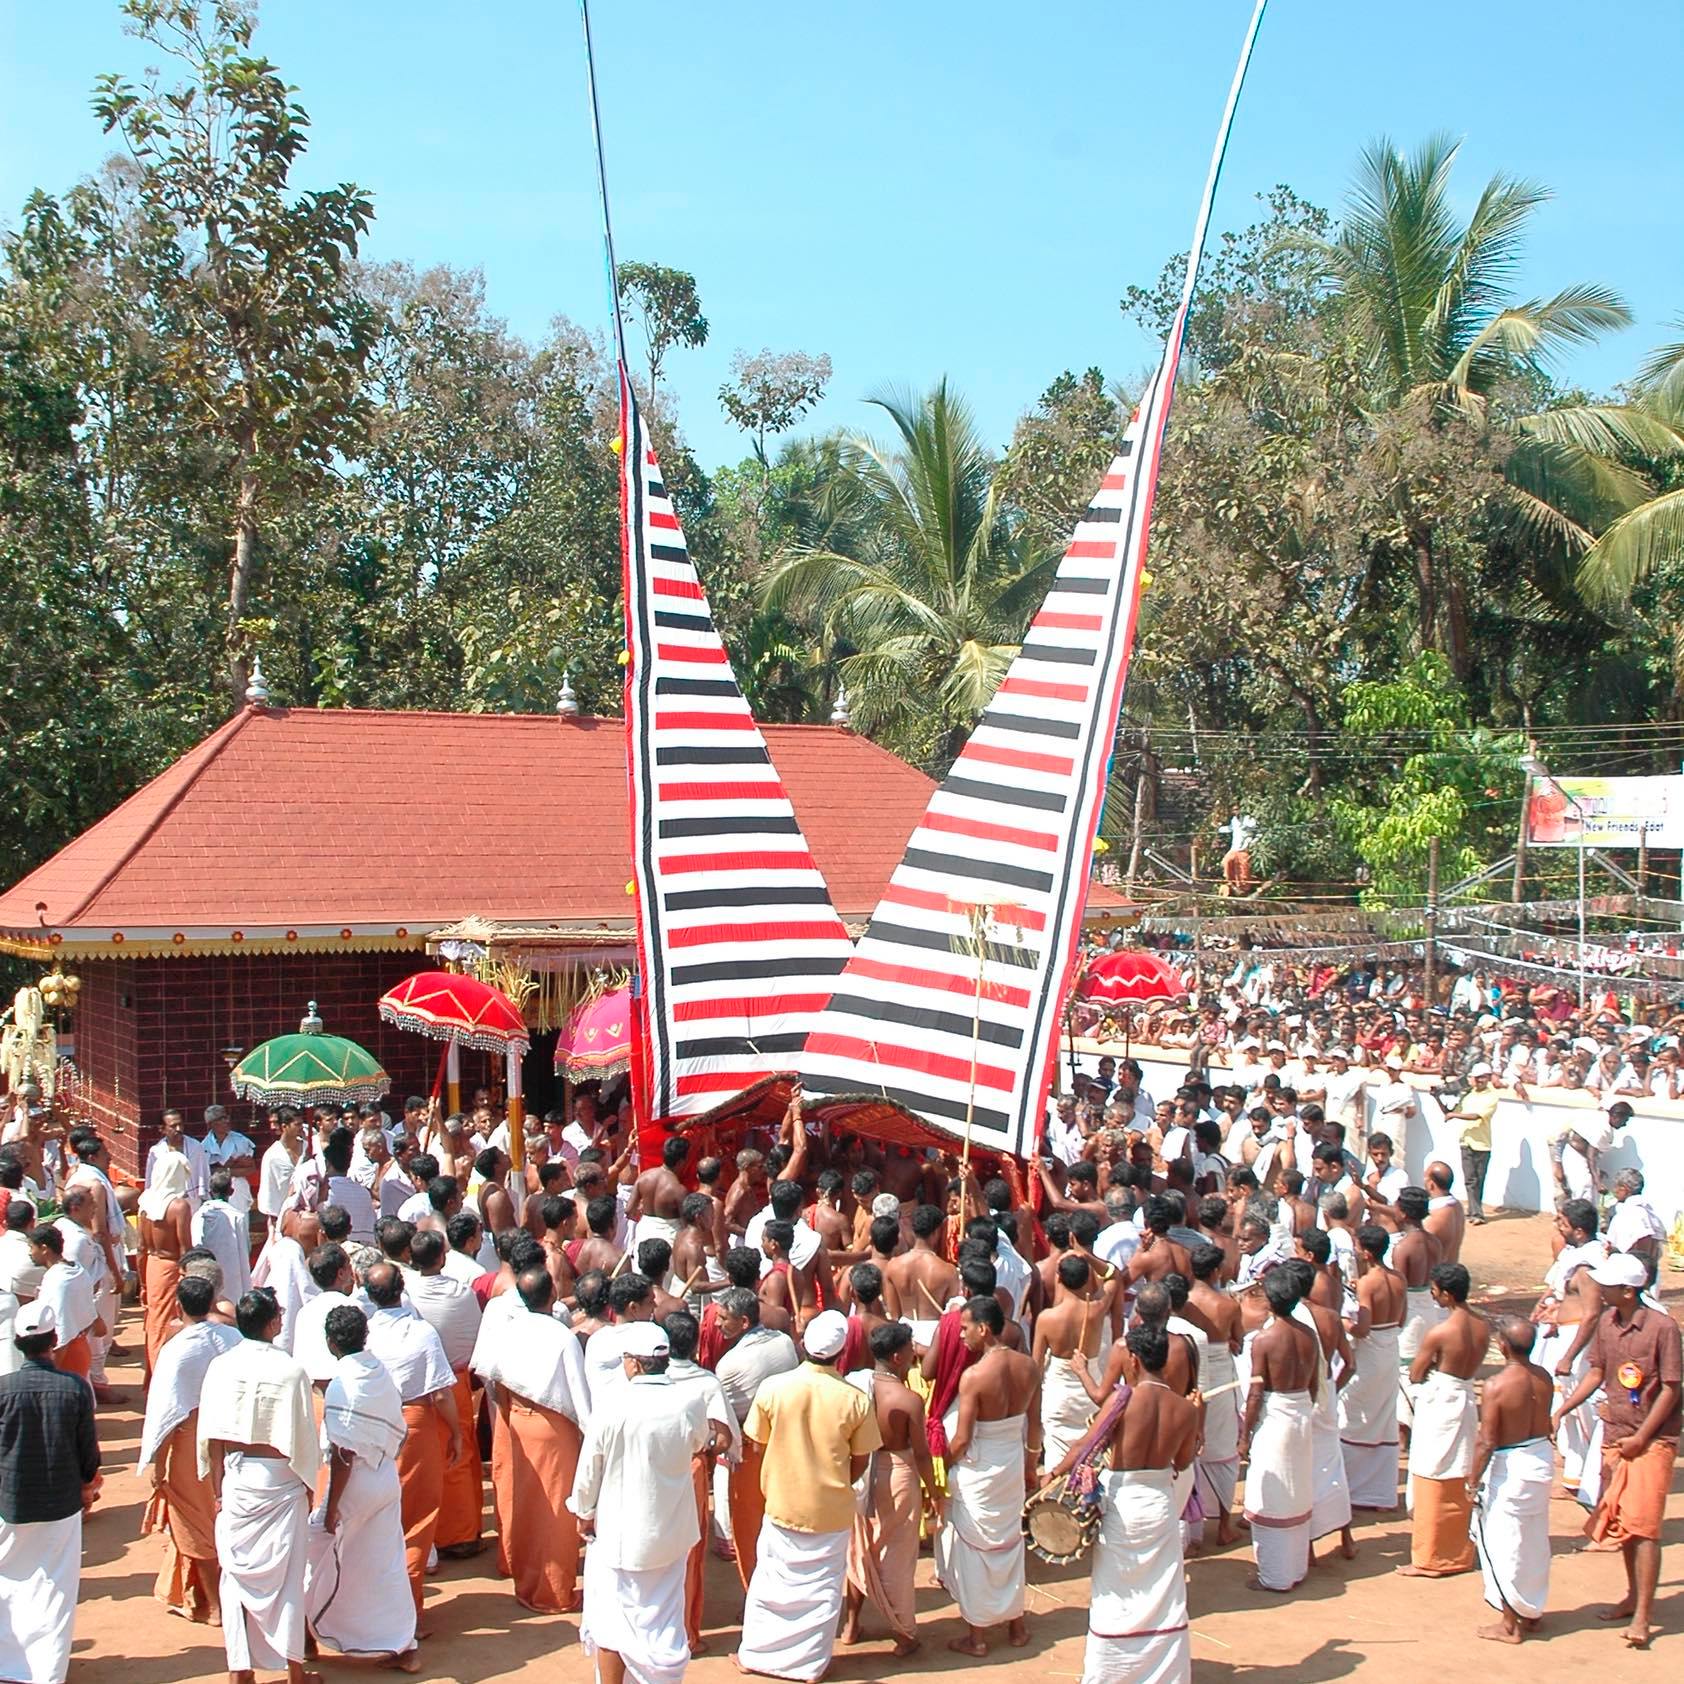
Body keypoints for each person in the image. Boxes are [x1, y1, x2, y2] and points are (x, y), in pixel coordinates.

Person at [735, 1309, 883, 1682]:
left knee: (771, 1584)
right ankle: (808, 1665)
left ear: (803, 1344)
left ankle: (757, 1656)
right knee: (821, 1591)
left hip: (781, 1502)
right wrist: (834, 1483)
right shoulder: (855, 1400)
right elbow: (860, 1462)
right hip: (829, 1510)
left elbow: (756, 1444)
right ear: (842, 1352)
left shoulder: (773, 1388)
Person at [1047, 1321, 1199, 1684]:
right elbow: (1182, 1462)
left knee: (1115, 1590)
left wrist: (1052, 1475)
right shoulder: (1185, 1408)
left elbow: (1085, 1445)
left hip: (1124, 1503)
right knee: (1161, 1591)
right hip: (1159, 1502)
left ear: (1132, 1359)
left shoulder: (1122, 1399)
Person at [569, 1320, 711, 1684]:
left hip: (619, 1538)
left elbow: (589, 1470)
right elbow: (698, 1443)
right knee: (663, 1619)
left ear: (632, 1362)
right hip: (671, 1537)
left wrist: (583, 1513)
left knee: (611, 1623)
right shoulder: (690, 1400)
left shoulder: (613, 1405)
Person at [197, 1287, 321, 1684]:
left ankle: (241, 1672)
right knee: (288, 1579)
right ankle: (295, 1674)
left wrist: (218, 1491)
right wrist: (306, 1488)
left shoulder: (221, 1366)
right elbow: (304, 1438)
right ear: (270, 1323)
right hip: (279, 1479)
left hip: (237, 1479)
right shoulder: (290, 1369)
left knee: (234, 1577)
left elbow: (213, 1437)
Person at [1559, 1251, 1682, 1652]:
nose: (1601, 1289)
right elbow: (1597, 1371)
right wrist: (1563, 1409)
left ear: (1628, 1291)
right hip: (1616, 1436)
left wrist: (1643, 1437)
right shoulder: (1608, 1325)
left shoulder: (1663, 1328)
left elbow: (1671, 1387)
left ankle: (1644, 1615)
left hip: (1651, 1441)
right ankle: (1633, 1597)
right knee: (1626, 1526)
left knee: (1645, 1529)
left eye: (1608, 1285)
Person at [303, 1304, 419, 1672]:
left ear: (330, 1342)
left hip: (355, 1485)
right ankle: (403, 1646)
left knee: (313, 1548)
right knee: (386, 1564)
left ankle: (307, 1634)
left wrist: (332, 1507)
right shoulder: (379, 1372)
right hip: (386, 1478)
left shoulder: (341, 1385)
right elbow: (397, 1431)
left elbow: (342, 1455)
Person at [470, 1262, 590, 1612]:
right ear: (553, 1295)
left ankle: (526, 1581)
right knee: (555, 1510)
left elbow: (489, 1374)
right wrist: (590, 1436)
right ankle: (553, 1592)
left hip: (517, 1424)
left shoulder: (509, 1328)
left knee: (525, 1504)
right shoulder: (562, 1337)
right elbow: (580, 1400)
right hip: (553, 1432)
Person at [0, 1302, 100, 1684]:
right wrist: (88, 1483)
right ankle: (47, 1672)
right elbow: (87, 1451)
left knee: (8, 1584)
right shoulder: (73, 1388)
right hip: (60, 1505)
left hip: (10, 1503)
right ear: (54, 1340)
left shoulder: (3, 1390)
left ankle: (10, 1666)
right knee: (55, 1590)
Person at [937, 1295, 1039, 1656]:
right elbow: (1035, 1426)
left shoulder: (974, 1376)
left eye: (964, 1328)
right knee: (1009, 1542)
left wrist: (939, 1467)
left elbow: (962, 1439)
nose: (961, 1335)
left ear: (983, 1329)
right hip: (1011, 1461)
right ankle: (1016, 1626)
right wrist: (1030, 1466)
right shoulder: (1029, 1367)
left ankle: (977, 1637)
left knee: (976, 1548)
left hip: (980, 1468)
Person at [137, 1274, 241, 1623]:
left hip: (192, 1442)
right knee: (226, 1516)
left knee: (195, 1522)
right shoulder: (234, 1339)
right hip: (234, 1439)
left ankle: (214, 1605)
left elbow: (167, 1414)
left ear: (179, 1306)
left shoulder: (177, 1351)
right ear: (213, 1303)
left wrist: (159, 1465)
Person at [361, 1262, 460, 1623]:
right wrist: (458, 1433)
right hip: (412, 1426)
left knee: (378, 1519)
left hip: (371, 1427)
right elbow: (441, 1395)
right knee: (415, 1519)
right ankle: (405, 1615)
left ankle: (381, 1616)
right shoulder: (421, 1333)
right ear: (401, 1289)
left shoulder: (365, 1333)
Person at [843, 1321, 939, 1658]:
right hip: (896, 1475)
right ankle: (904, 1634)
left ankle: (851, 1625)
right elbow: (923, 1454)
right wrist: (935, 1494)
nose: (916, 1352)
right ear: (898, 1356)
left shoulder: (853, 1386)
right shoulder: (908, 1400)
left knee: (861, 1551)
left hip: (860, 1472)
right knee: (896, 1557)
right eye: (912, 1347)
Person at [1469, 1318, 1554, 1645]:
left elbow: (1487, 1440)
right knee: (1532, 1539)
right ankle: (1530, 1612)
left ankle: (1510, 1624)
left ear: (1502, 1345)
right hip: (1540, 1460)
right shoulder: (1543, 1377)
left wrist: (1472, 1482)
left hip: (1511, 1466)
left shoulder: (1497, 1386)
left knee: (1503, 1543)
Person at [1400, 1261, 1487, 1578]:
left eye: (1435, 1291)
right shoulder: (1482, 1326)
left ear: (1447, 1294)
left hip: (1439, 1403)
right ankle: (1456, 1551)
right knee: (1457, 1472)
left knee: (1430, 1473)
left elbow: (1416, 1372)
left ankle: (1431, 1557)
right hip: (1464, 1402)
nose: (1433, 1296)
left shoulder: (1440, 1332)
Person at [401, 1228, 484, 1559]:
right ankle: (460, 1535)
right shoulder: (461, 1294)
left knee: (419, 1461)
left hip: (415, 1390)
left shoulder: (405, 1295)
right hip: (453, 1383)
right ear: (442, 1258)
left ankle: (425, 1538)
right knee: (458, 1455)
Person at [712, 1285, 800, 1588]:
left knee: (750, 1528)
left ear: (745, 1323)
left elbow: (720, 1418)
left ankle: (757, 1595)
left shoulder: (730, 1364)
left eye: (724, 1318)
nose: (717, 1324)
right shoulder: (784, 1342)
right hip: (788, 1447)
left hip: (752, 1454)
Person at [1240, 1269, 1318, 1593]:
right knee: (1295, 1489)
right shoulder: (1308, 1334)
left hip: (1277, 1417)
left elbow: (1256, 1392)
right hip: (1299, 1412)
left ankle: (1274, 1575)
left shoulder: (1265, 1339)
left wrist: (1245, 1433)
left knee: (1271, 1494)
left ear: (1271, 1302)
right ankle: (1295, 1567)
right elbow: (1313, 1382)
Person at [1338, 1224, 1404, 1511]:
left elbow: (1362, 1330)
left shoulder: (1368, 1282)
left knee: (1354, 1415)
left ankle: (1354, 1490)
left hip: (1372, 1352)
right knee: (1383, 1415)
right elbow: (1400, 1320)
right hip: (1390, 1349)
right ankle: (1379, 1494)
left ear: (1366, 1251)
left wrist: (1341, 1321)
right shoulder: (1399, 1278)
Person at [136, 1148, 194, 1376]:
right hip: (172, 1270)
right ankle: (162, 1376)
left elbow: (141, 1248)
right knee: (168, 1324)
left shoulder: (145, 1202)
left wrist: (142, 1283)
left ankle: (153, 1377)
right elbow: (185, 1250)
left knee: (154, 1322)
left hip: (151, 1267)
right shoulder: (179, 1207)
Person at [1443, 1063, 1498, 1223]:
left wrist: (1453, 1115)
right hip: (1466, 1140)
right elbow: (1451, 1111)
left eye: (1483, 1077)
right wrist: (1437, 1097)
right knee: (1470, 1179)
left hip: (1482, 1143)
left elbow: (1476, 1116)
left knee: (1478, 1180)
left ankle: (1475, 1211)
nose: (1480, 1080)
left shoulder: (1492, 1096)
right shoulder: (1468, 1094)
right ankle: (1475, 1212)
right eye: (1477, 1077)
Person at [192, 1166, 252, 1302]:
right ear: (231, 1191)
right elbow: (245, 1248)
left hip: (207, 1274)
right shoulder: (237, 1217)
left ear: (210, 1191)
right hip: (234, 1276)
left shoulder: (199, 1215)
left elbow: (196, 1245)